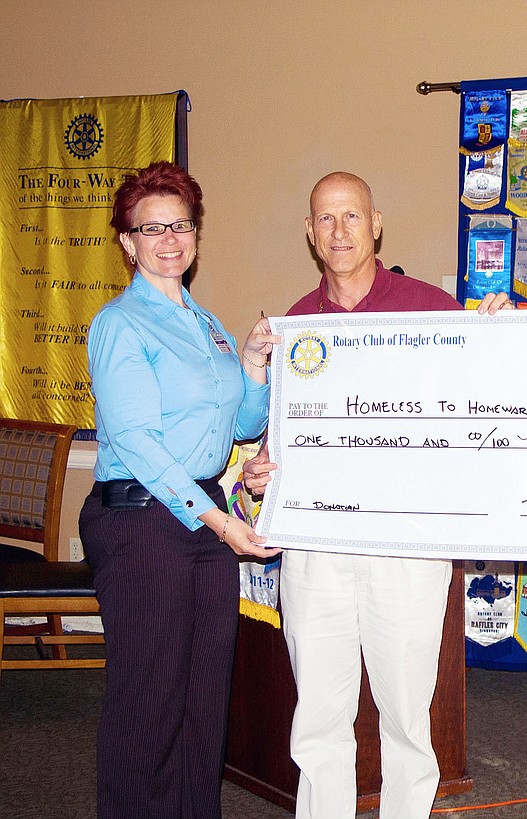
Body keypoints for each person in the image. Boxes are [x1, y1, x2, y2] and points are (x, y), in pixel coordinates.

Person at [242, 171, 511, 819]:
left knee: (407, 718)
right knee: (319, 720)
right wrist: (263, 466)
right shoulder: (294, 326)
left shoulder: (433, 310)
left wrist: (502, 340)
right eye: (325, 219)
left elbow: (487, 402)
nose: (339, 231)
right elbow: (276, 435)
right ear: (310, 233)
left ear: (377, 223)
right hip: (316, 552)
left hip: (406, 549)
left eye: (351, 217)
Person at [78, 161, 279, 819]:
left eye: (180, 224)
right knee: (150, 696)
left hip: (199, 512)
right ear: (127, 242)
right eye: (151, 227)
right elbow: (136, 440)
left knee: (202, 696)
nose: (169, 238)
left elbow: (243, 424)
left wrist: (250, 363)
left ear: (195, 233)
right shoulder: (120, 324)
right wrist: (219, 523)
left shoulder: (207, 323)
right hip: (142, 519)